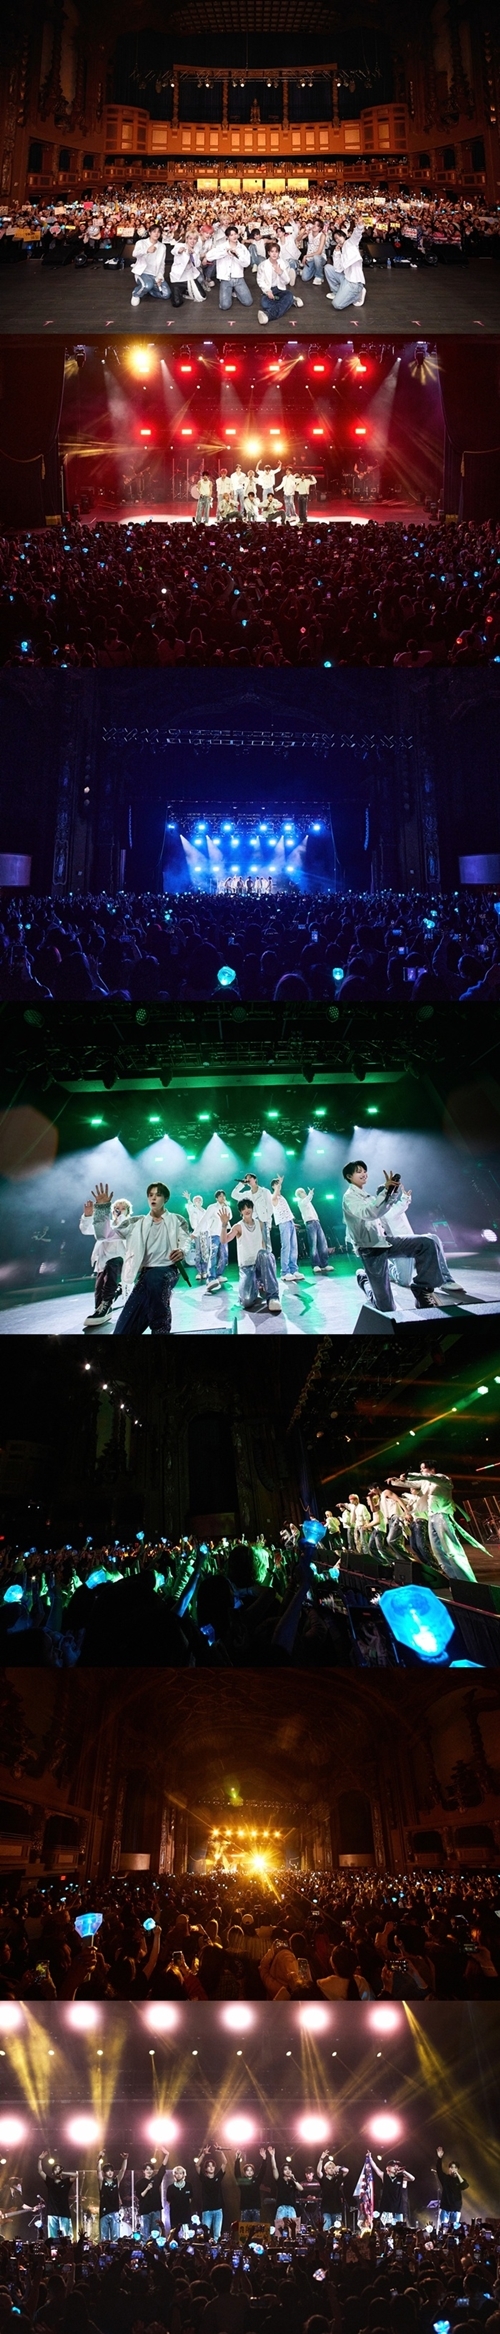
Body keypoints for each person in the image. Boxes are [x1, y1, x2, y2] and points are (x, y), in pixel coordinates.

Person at [341, 1160, 469, 1314]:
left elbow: (382, 1210)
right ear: (349, 1176)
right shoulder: (349, 1197)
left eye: (364, 1171)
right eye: (359, 1171)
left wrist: (392, 1192)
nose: (364, 1174)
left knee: (427, 1243)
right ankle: (364, 1279)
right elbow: (369, 1213)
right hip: (369, 1249)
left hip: (384, 1242)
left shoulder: (367, 1196)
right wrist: (385, 1192)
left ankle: (422, 1290)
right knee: (386, 1307)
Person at [89, 1179, 190, 1336]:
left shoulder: (178, 1220)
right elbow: (104, 1235)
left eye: (158, 1195)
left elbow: (186, 1240)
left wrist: (182, 1251)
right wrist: (102, 1209)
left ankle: (161, 1329)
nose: (153, 1198)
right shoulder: (135, 1223)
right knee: (122, 1331)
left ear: (166, 1199)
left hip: (168, 1270)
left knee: (155, 1278)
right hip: (145, 1277)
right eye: (150, 1195)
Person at [79, 1187, 132, 1330]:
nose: (119, 1210)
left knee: (112, 1266)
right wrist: (88, 1216)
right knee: (99, 1291)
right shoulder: (105, 1224)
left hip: (120, 1260)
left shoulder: (130, 1223)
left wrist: (120, 1217)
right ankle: (104, 1308)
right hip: (103, 1262)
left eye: (123, 1208)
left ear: (128, 1211)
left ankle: (109, 1300)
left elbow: (122, 1229)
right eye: (116, 1208)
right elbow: (87, 1230)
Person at [221, 1200, 282, 1313]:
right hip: (247, 1267)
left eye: (248, 1207)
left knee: (265, 1254)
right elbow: (224, 1240)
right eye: (243, 1208)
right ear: (241, 1211)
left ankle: (273, 1296)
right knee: (247, 1302)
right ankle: (256, 1286)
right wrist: (224, 1225)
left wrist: (267, 1263)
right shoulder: (238, 1226)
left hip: (260, 1263)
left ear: (252, 1209)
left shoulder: (260, 1224)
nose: (246, 1210)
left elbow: (262, 1242)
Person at [256, 241, 304, 324]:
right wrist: (267, 291)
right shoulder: (263, 265)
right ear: (268, 253)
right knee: (265, 304)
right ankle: (290, 301)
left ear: (279, 253)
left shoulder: (283, 263)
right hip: (269, 290)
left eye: (276, 251)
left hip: (280, 289)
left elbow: (287, 281)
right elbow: (260, 280)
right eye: (272, 251)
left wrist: (280, 272)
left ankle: (268, 315)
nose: (274, 254)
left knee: (288, 294)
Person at [206, 227, 253, 310]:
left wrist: (236, 256)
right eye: (231, 235)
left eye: (235, 234)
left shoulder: (242, 247)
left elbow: (246, 264)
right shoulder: (222, 246)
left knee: (248, 302)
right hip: (225, 279)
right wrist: (225, 252)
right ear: (227, 237)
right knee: (225, 306)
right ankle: (230, 292)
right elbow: (209, 256)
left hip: (238, 278)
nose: (234, 236)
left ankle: (237, 292)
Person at [324, 221, 366, 309]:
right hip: (346, 278)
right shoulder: (341, 251)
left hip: (354, 282)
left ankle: (357, 295)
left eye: (339, 236)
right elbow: (337, 268)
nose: (337, 239)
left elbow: (356, 235)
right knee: (328, 267)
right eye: (335, 239)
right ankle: (337, 292)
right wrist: (336, 253)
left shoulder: (351, 243)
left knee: (337, 304)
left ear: (344, 236)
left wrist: (359, 226)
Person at [270, 1176, 301, 1281]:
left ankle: (293, 1270)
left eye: (279, 1184)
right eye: (276, 1184)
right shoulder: (273, 1197)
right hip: (283, 1223)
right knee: (286, 1247)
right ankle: (285, 1272)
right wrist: (279, 1184)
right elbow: (274, 1198)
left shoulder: (282, 1197)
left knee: (293, 1247)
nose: (279, 1186)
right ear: (273, 1187)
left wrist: (292, 1223)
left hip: (290, 1222)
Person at [130, 224, 170, 306]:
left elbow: (162, 263)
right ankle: (136, 294)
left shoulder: (162, 247)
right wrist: (146, 250)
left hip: (155, 274)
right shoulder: (141, 243)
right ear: (149, 233)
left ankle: (149, 290)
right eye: (154, 231)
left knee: (166, 294)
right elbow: (134, 254)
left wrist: (160, 277)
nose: (156, 234)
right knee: (147, 285)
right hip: (142, 273)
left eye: (158, 232)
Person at [294, 1188, 332, 1273]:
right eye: (300, 1192)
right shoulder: (300, 1202)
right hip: (310, 1223)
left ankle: (324, 1264)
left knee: (323, 1243)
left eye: (303, 1191)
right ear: (298, 1195)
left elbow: (309, 1200)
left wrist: (310, 1195)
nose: (303, 1193)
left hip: (316, 1222)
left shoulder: (308, 1201)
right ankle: (315, 1264)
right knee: (313, 1244)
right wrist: (310, 1194)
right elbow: (307, 1200)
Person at [37, 2155, 74, 2241]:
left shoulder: (66, 2181)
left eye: (59, 2169)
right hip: (52, 2211)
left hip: (64, 2212)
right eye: (56, 2169)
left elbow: (76, 2175)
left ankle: (66, 2248)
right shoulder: (50, 2181)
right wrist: (40, 2159)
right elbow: (40, 2171)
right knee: (53, 2237)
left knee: (65, 2236)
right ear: (53, 2173)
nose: (57, 2171)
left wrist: (63, 2173)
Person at [193, 2149, 227, 2240]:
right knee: (205, 2233)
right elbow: (197, 2165)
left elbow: (225, 2163)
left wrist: (221, 2152)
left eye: (213, 2166)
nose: (211, 2168)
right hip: (207, 2210)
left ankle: (216, 2248)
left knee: (217, 2234)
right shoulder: (204, 2179)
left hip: (218, 2209)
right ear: (206, 2169)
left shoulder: (218, 2177)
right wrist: (203, 2154)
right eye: (209, 2166)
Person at [433, 2147, 469, 2230]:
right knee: (443, 2228)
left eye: (455, 2167)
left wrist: (458, 2175)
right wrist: (439, 2158)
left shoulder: (460, 2180)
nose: (453, 2169)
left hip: (456, 2208)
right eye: (451, 2167)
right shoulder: (445, 2178)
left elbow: (464, 2186)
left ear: (457, 2169)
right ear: (449, 2169)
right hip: (445, 2207)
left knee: (454, 2229)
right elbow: (439, 2170)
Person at [137, 2150, 169, 2239]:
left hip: (155, 2209)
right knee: (145, 2233)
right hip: (145, 2210)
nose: (149, 2171)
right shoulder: (139, 2183)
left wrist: (167, 2154)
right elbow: (140, 2196)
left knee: (156, 2232)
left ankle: (155, 2246)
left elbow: (162, 2168)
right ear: (143, 2171)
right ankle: (145, 2246)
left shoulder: (156, 2179)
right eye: (147, 2169)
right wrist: (147, 2188)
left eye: (151, 2169)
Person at [97, 2152, 128, 2243]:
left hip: (115, 2211)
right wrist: (98, 2160)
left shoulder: (116, 2181)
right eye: (107, 2171)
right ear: (104, 2172)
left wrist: (125, 2159)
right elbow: (98, 2172)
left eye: (111, 2170)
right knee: (104, 2237)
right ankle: (104, 2251)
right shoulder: (102, 2182)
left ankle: (115, 2251)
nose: (110, 2172)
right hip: (104, 2212)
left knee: (115, 2237)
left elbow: (122, 2170)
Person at [316, 2153, 349, 2231]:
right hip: (326, 2209)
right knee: (326, 2228)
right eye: (329, 2168)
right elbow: (318, 2172)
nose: (331, 2169)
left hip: (337, 2209)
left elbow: (346, 2171)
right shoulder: (324, 2179)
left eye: (332, 2168)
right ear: (326, 2171)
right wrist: (321, 2159)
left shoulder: (337, 2178)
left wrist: (339, 2168)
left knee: (338, 2230)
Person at [353, 2150, 383, 2235]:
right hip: (364, 2215)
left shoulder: (370, 2200)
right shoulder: (362, 2205)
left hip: (369, 2212)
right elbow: (359, 2223)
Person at [378, 2160, 415, 2225]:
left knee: (399, 2227)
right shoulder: (385, 2177)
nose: (396, 2167)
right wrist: (370, 2158)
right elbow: (376, 2169)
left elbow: (412, 2178)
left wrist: (403, 2171)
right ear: (388, 2168)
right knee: (387, 2227)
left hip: (398, 2208)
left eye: (396, 2166)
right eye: (393, 2166)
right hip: (387, 2209)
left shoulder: (399, 2178)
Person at [166, 2165, 195, 2238]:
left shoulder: (189, 2185)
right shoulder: (170, 2188)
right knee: (175, 2234)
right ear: (174, 2175)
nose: (178, 2175)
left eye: (180, 2173)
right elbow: (169, 2201)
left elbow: (190, 2199)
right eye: (177, 2173)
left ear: (183, 2174)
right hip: (175, 2215)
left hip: (186, 2214)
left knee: (186, 2235)